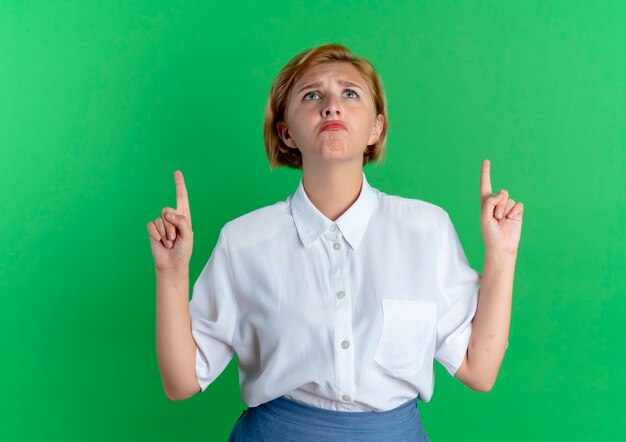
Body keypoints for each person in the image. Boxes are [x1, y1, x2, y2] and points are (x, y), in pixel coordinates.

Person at [147, 43, 524, 441]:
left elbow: (478, 371)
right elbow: (182, 382)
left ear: (376, 127)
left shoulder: (427, 229)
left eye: (350, 93)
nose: (332, 106)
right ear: (286, 132)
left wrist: (502, 254)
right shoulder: (243, 241)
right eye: (312, 95)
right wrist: (171, 273)